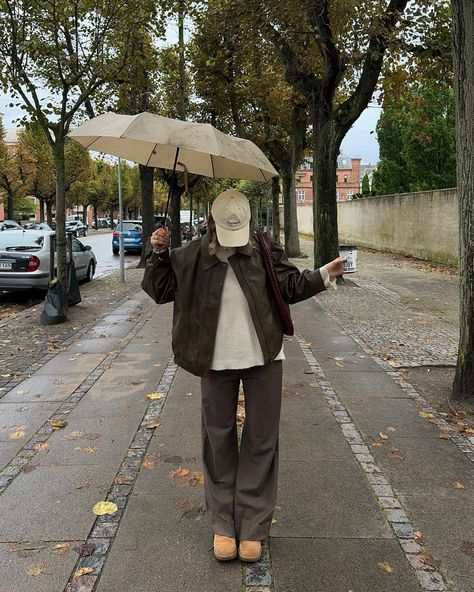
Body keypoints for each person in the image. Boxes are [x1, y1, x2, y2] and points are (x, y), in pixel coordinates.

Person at [141, 189, 345, 563]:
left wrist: (322, 275)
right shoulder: (191, 256)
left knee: (261, 440)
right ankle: (222, 523)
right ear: (212, 225)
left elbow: (291, 287)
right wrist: (158, 253)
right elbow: (160, 291)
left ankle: (251, 525)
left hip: (264, 356)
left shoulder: (265, 251)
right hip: (213, 360)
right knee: (218, 440)